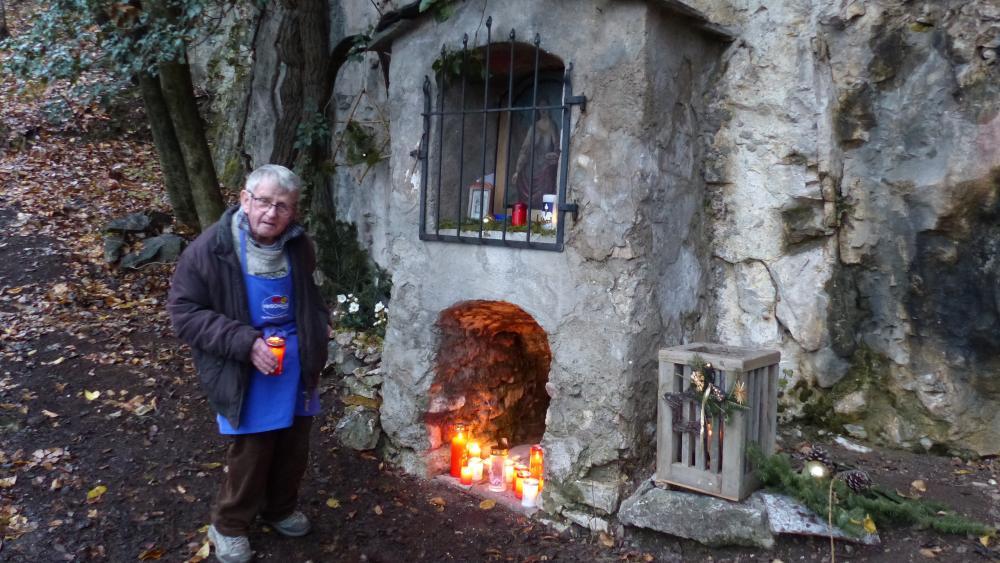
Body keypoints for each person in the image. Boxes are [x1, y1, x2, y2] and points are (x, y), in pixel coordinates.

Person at [167, 164, 329, 563]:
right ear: (244, 199)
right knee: (254, 448)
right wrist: (245, 342)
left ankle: (279, 508)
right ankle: (228, 525)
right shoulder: (211, 249)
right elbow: (183, 313)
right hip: (244, 363)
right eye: (264, 202)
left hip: (295, 362)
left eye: (284, 206)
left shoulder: (299, 245)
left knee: (294, 443)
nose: (272, 213)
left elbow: (309, 296)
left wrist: (318, 330)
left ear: (294, 213)